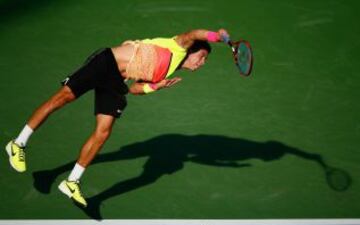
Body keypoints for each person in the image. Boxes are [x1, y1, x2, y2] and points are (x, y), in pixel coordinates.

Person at [5, 28, 229, 208]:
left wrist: (155, 87)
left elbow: (134, 89)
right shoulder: (178, 46)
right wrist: (216, 37)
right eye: (202, 57)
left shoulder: (169, 69)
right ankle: (18, 143)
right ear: (191, 51)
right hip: (105, 64)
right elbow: (193, 34)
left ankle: (72, 181)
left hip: (116, 83)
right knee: (61, 99)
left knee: (104, 131)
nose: (202, 63)